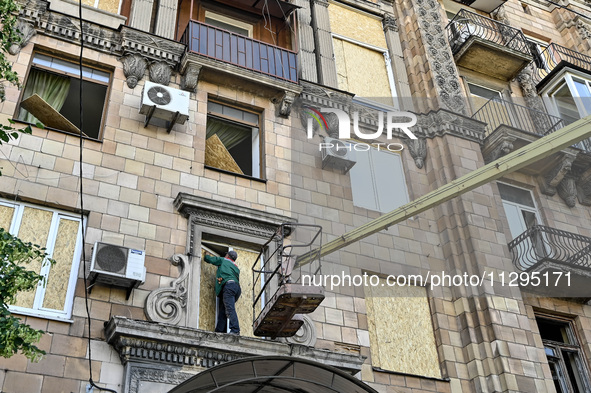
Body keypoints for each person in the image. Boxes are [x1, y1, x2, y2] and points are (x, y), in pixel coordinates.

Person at [203, 250, 241, 335]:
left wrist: (206, 255)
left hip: (229, 287)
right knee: (224, 310)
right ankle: (219, 331)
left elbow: (211, 259)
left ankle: (235, 329)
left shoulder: (224, 260)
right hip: (236, 288)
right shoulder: (235, 267)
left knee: (230, 308)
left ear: (227, 255)